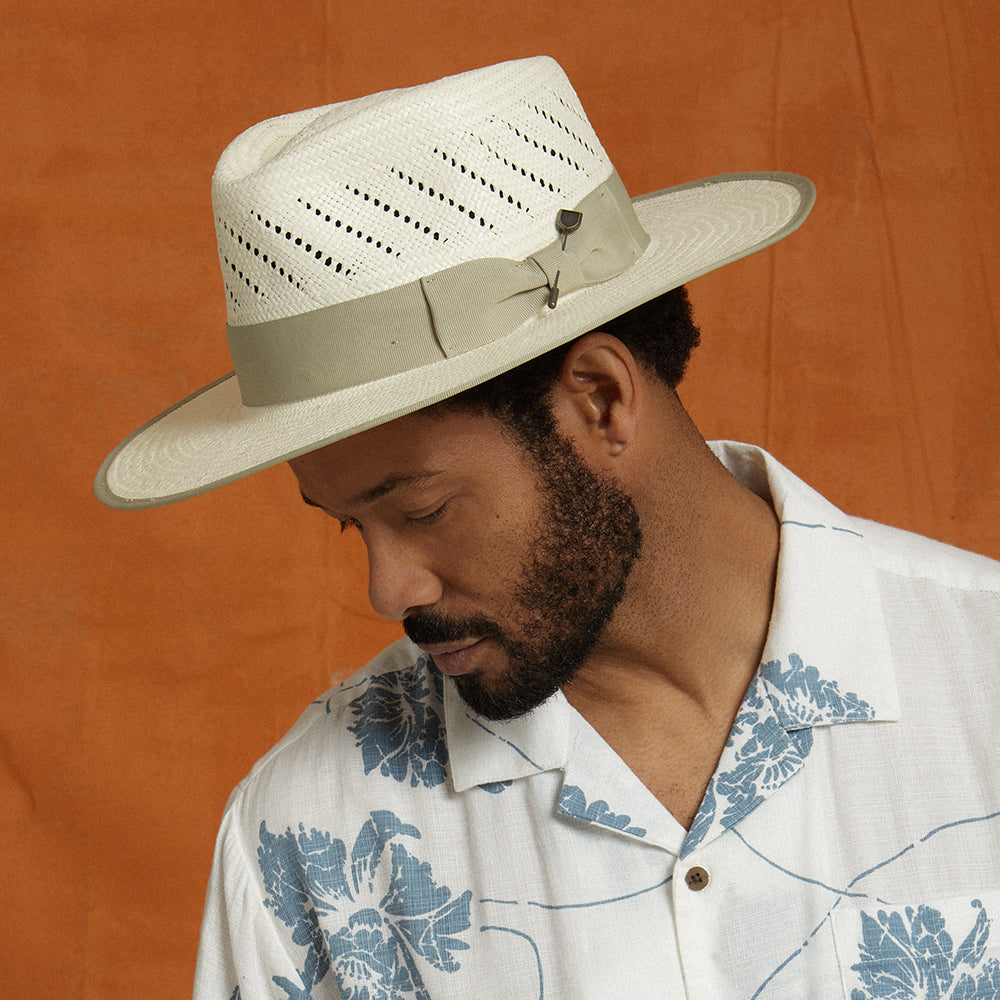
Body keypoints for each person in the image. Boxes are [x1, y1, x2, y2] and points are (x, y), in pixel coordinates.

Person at [97, 57, 1000, 1000]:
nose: (389, 590)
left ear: (601, 399)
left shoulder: (983, 679)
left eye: (423, 510)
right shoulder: (309, 839)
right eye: (350, 525)